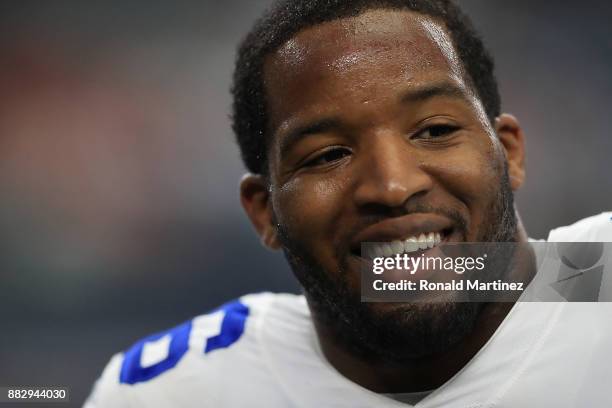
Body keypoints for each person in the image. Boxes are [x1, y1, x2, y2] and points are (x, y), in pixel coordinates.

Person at [84, 0, 612, 406]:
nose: (391, 186)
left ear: (509, 152)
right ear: (264, 212)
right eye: (328, 155)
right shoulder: (171, 391)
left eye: (435, 129)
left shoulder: (598, 284)